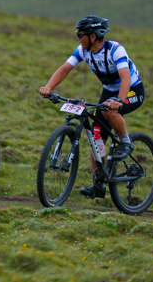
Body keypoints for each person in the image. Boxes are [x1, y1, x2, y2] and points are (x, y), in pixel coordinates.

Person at [38, 15, 145, 198]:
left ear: (93, 36)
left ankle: (126, 142)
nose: (78, 38)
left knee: (110, 110)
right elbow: (65, 68)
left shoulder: (115, 50)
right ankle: (98, 185)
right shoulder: (83, 50)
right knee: (96, 140)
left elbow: (125, 77)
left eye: (80, 34)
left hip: (131, 91)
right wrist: (49, 87)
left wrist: (119, 100)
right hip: (109, 92)